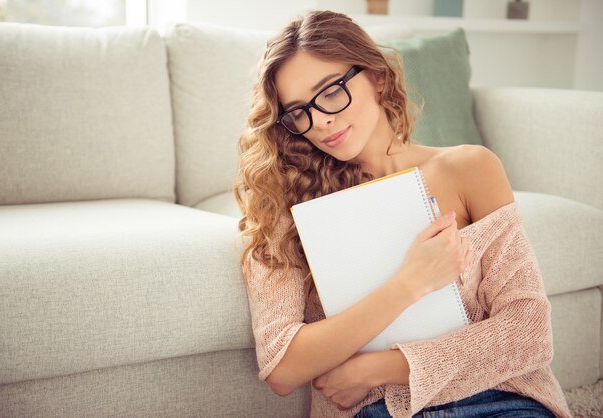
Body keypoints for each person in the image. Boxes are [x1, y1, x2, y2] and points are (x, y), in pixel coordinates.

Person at [233, 10, 573, 418]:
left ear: (377, 76)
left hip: (500, 398)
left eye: (330, 91)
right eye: (299, 112)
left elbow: (528, 331)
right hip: (377, 412)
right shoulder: (285, 204)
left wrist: (384, 368)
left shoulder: (469, 169)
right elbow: (283, 367)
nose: (321, 120)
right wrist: (411, 283)